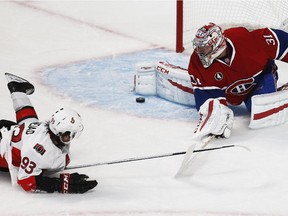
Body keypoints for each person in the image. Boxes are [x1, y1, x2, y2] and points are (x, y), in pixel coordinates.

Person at [0, 73, 97, 193]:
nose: (70, 138)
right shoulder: (37, 152)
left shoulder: (44, 130)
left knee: (25, 125)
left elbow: (28, 121)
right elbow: (25, 181)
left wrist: (17, 92)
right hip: (2, 147)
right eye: (68, 134)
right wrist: (61, 184)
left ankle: (17, 88)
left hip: (6, 130)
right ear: (58, 132)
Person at [188, 22, 288, 140]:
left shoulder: (245, 40)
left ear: (217, 44)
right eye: (199, 47)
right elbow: (210, 101)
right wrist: (217, 117)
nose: (200, 52)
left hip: (260, 79)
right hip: (231, 94)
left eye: (204, 47)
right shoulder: (197, 63)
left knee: (263, 112)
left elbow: (282, 43)